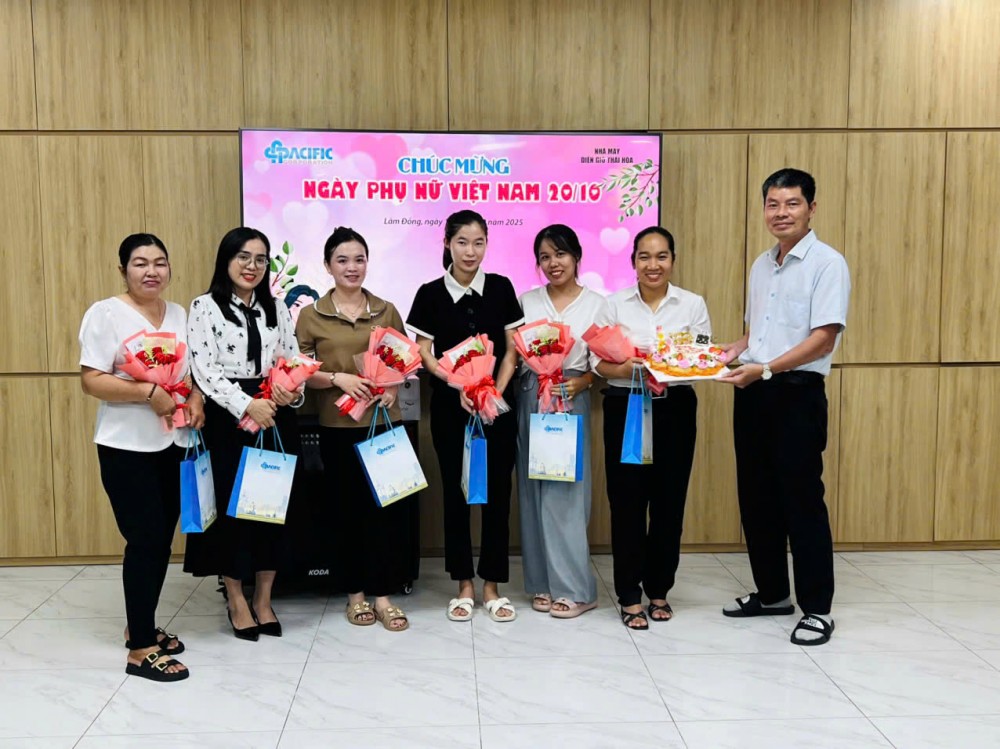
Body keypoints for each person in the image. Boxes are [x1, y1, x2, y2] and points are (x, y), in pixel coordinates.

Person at [719, 168, 850, 646]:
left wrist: (766, 367)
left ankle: (817, 609)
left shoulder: (827, 264)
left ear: (811, 208)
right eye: (773, 204)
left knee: (802, 501)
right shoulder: (761, 264)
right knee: (756, 498)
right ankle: (773, 593)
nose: (781, 213)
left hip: (796, 393)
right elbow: (758, 330)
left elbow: (823, 338)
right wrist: (732, 350)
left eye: (792, 203)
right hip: (754, 390)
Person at [79, 233, 204, 682]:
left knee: (161, 540)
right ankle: (141, 650)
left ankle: (141, 624)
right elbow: (91, 380)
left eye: (160, 262)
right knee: (145, 539)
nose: (152, 271)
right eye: (140, 263)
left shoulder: (179, 313)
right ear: (123, 270)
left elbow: (191, 375)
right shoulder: (105, 313)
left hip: (175, 442)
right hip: (126, 445)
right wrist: (148, 392)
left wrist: (195, 399)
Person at [184, 227, 302, 641]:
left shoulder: (278, 308)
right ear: (226, 260)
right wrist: (246, 404)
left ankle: (264, 598)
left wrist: (292, 391)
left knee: (271, 507)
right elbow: (204, 370)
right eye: (243, 257)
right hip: (229, 417)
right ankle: (236, 597)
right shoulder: (204, 307)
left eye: (261, 259)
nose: (252, 266)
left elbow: (291, 360)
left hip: (275, 414)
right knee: (233, 511)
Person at [406, 209, 524, 622]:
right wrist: (459, 385)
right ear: (447, 243)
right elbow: (423, 352)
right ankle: (463, 585)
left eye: (478, 243)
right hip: (450, 409)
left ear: (487, 243)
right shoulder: (429, 293)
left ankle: (492, 585)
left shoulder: (502, 287)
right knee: (456, 496)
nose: (470, 251)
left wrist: (493, 392)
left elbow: (511, 351)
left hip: (498, 409)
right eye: (462, 242)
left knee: (497, 495)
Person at [593, 227, 710, 630]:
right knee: (626, 502)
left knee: (669, 502)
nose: (653, 265)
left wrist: (667, 366)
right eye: (644, 256)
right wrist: (626, 368)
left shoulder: (692, 304)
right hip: (626, 405)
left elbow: (700, 358)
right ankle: (629, 594)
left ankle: (659, 590)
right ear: (633, 262)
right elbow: (596, 364)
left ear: (672, 260)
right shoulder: (612, 305)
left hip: (674, 408)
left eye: (661, 256)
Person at [296, 227, 410, 632]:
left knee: (386, 510)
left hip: (382, 424)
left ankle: (383, 596)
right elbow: (300, 371)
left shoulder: (386, 309)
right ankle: (355, 595)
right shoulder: (311, 315)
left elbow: (402, 359)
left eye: (359, 259)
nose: (352, 267)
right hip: (337, 426)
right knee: (346, 512)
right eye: (342, 260)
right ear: (328, 266)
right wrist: (336, 379)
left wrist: (392, 388)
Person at [515, 224, 607, 618]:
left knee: (567, 493)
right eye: (545, 257)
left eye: (561, 254)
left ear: (577, 256)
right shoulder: (526, 301)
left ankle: (575, 588)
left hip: (570, 397)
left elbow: (604, 363)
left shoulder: (598, 304)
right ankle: (541, 582)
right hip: (531, 395)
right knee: (533, 489)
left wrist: (583, 382)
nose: (553, 263)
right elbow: (513, 355)